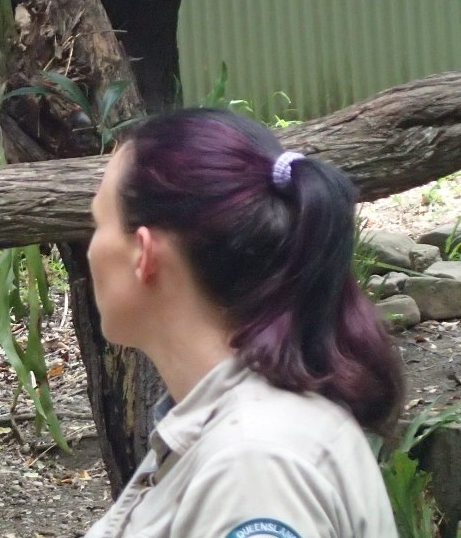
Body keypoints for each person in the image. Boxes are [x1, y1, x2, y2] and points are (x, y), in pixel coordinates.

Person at [84, 107, 404, 538]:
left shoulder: (253, 464)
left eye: (98, 224)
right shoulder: (234, 430)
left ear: (144, 254)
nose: (89, 250)